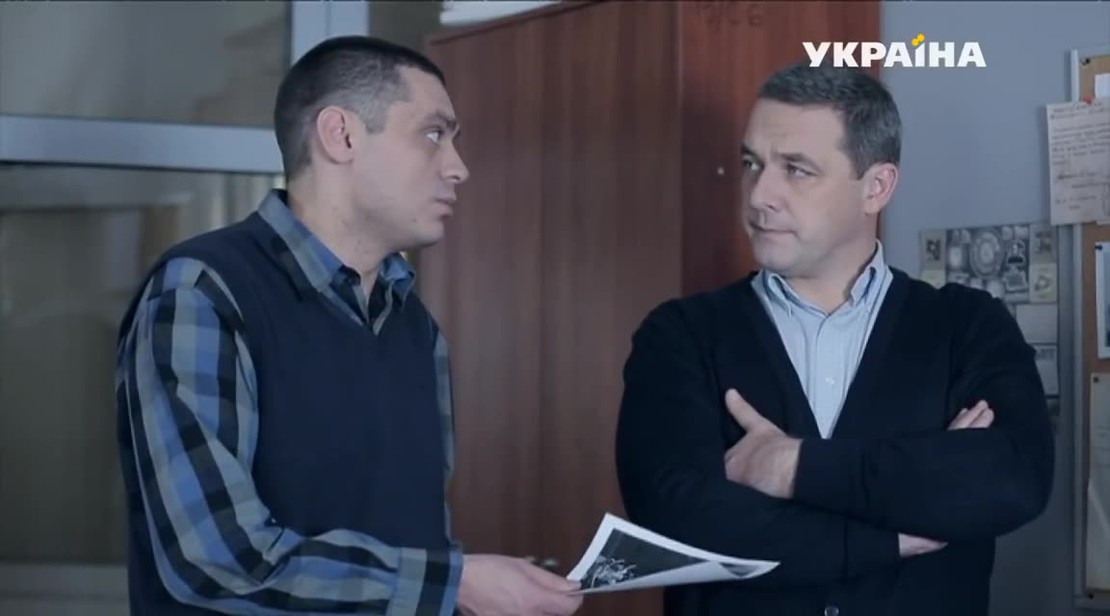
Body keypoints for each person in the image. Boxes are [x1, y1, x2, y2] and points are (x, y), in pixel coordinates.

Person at [115, 35, 583, 616]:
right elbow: (214, 560)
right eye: (433, 134)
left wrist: (465, 591)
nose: (458, 168)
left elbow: (417, 546)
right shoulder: (202, 291)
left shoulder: (416, 328)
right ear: (340, 135)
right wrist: (455, 585)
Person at [614, 61, 1054, 616]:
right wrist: (891, 529)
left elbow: (1010, 483)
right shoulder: (679, 336)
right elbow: (677, 518)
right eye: (752, 163)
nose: (759, 195)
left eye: (797, 169)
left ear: (876, 187)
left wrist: (793, 467)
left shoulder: (967, 326)